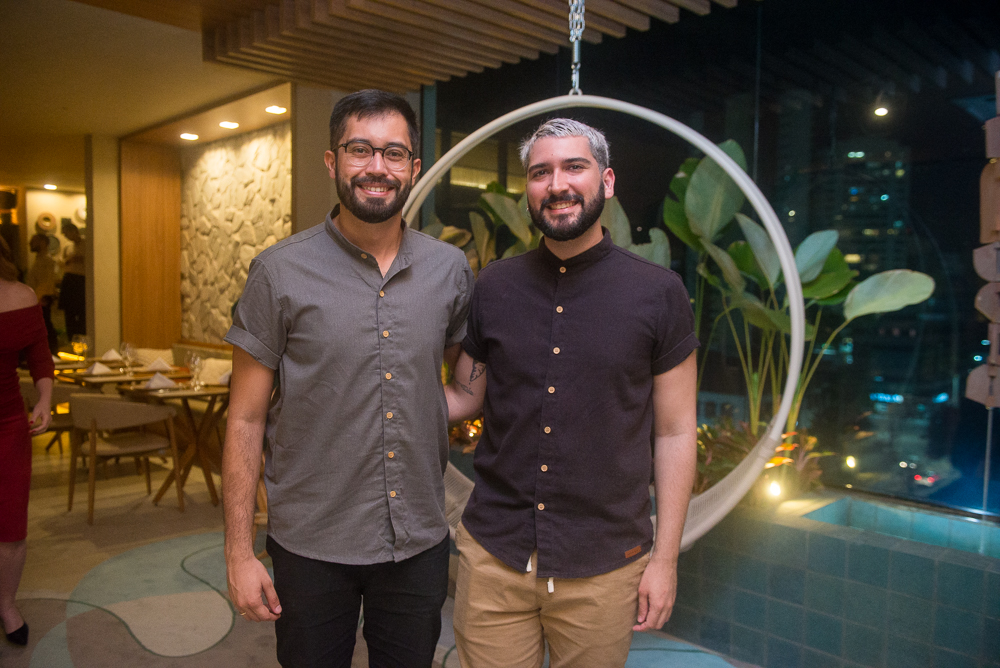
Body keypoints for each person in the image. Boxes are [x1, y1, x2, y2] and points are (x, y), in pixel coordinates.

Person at [222, 89, 473, 668]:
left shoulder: (449, 269)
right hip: (311, 544)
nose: (377, 167)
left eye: (393, 153)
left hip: (417, 540)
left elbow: (467, 379)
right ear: (332, 161)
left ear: (413, 167)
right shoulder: (278, 272)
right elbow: (245, 419)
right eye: (360, 150)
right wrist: (238, 552)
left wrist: (433, 405)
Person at [445, 118, 699, 667]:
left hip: (604, 565)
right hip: (494, 556)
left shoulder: (659, 293)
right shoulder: (494, 285)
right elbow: (464, 397)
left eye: (574, 167)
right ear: (529, 189)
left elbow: (677, 432)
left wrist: (665, 560)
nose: (556, 183)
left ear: (606, 181)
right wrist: (369, 394)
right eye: (541, 172)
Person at [0, 237, 54, 647]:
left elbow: (39, 355)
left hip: (7, 424)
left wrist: (45, 399)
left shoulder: (20, 296)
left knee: (11, 524)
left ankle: (6, 604)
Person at [25, 234, 59, 353]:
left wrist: (42, 298)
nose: (30, 244)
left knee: (45, 327)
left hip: (41, 300)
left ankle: (52, 352)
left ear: (43, 243)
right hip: (37, 299)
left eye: (34, 241)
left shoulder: (47, 261)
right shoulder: (39, 260)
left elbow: (47, 281)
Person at [59, 221, 86, 340]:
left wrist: (82, 259)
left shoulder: (87, 243)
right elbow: (60, 262)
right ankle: (71, 339)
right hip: (69, 278)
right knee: (69, 312)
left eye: (67, 233)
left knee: (82, 310)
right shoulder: (67, 246)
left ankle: (82, 338)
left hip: (82, 279)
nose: (66, 236)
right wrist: (69, 260)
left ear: (74, 231)